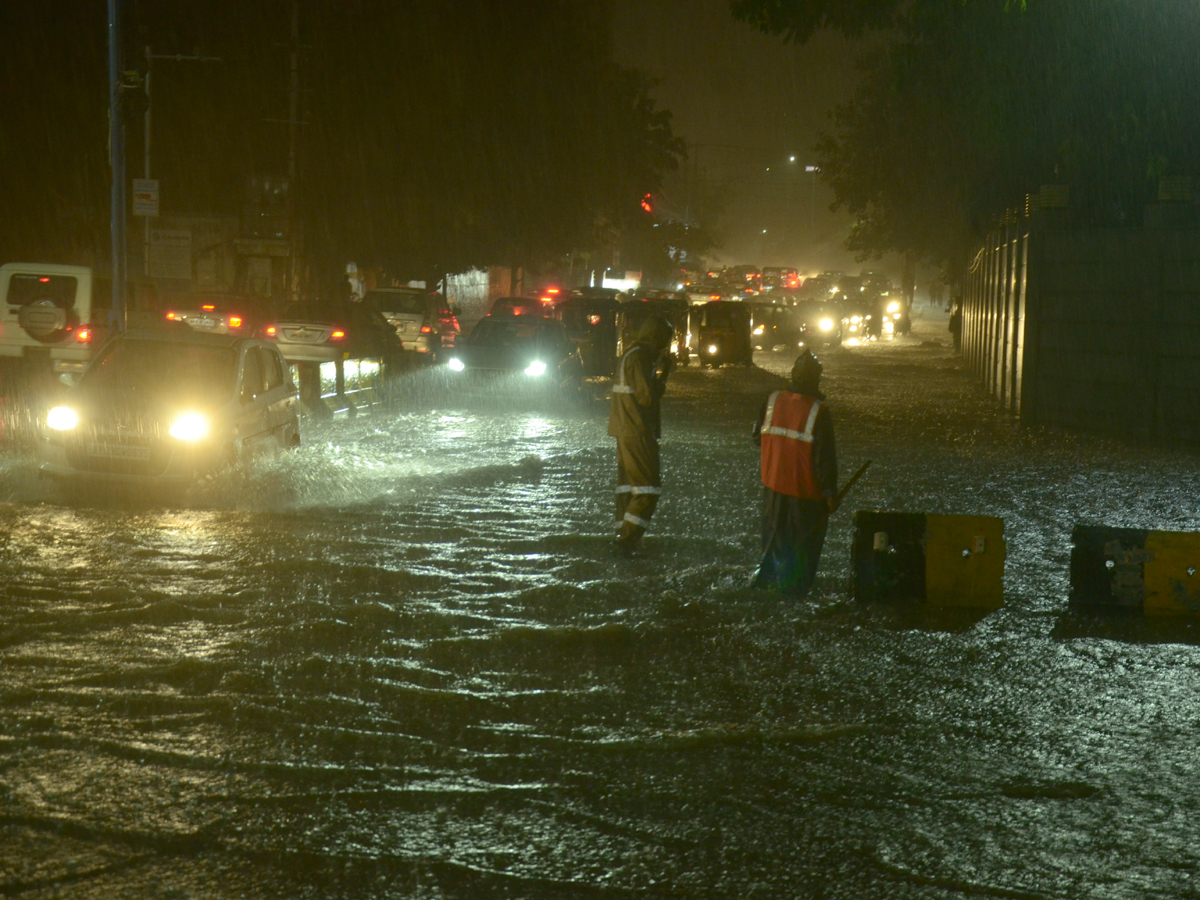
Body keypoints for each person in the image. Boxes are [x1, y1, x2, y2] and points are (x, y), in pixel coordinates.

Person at [752, 348, 838, 595]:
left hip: (772, 488)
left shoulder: (771, 400)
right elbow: (825, 458)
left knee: (771, 541)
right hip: (805, 493)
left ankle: (766, 581)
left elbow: (757, 437)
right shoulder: (819, 412)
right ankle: (794, 592)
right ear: (815, 379)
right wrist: (830, 493)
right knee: (802, 546)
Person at [608, 314, 675, 555]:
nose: (666, 345)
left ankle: (623, 535)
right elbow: (647, 397)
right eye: (665, 339)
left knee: (628, 487)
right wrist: (664, 374)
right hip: (636, 429)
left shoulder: (632, 353)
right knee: (648, 489)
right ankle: (626, 541)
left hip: (626, 428)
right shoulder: (640, 357)